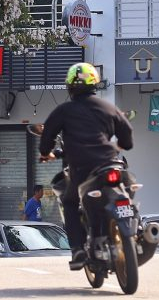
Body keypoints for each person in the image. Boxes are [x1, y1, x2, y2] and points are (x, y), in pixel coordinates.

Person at [38, 62, 133, 271]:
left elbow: (47, 136)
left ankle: (78, 249)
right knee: (128, 188)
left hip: (82, 168)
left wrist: (45, 153)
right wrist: (120, 145)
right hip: (112, 164)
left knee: (70, 202)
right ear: (95, 83)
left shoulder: (64, 110)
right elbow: (127, 133)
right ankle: (136, 225)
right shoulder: (108, 107)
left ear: (70, 86)